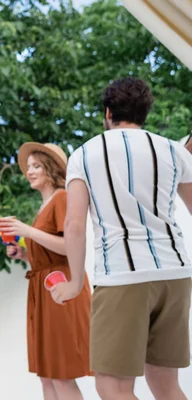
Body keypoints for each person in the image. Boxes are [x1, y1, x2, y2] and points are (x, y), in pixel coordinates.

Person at [51, 77, 192, 400]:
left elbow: (74, 224)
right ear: (145, 112)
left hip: (123, 276)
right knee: (166, 384)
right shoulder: (172, 149)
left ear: (108, 111)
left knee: (112, 386)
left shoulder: (85, 154)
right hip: (177, 274)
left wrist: (75, 283)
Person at [0, 142, 91, 400]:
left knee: (61, 375)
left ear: (51, 170)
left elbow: (69, 246)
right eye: (29, 167)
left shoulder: (61, 197)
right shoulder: (45, 205)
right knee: (48, 376)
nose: (30, 171)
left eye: (37, 166)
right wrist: (24, 254)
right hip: (45, 289)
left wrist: (27, 231)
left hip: (61, 289)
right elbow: (48, 252)